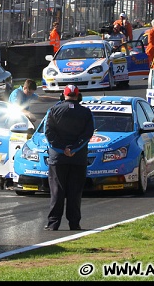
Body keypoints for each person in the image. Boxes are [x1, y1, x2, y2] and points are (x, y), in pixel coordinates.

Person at [44, 85, 94, 231]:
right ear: (78, 95)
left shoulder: (53, 110)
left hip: (58, 158)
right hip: (78, 158)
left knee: (57, 191)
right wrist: (73, 149)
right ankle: (74, 223)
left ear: (63, 95)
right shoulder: (86, 112)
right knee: (75, 192)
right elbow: (88, 134)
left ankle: (53, 223)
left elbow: (48, 133)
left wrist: (62, 149)